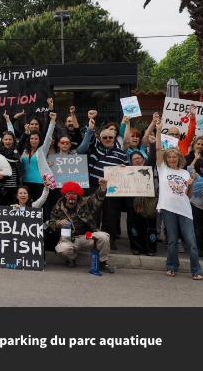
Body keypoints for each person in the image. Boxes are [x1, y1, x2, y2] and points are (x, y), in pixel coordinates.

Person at [154, 120, 203, 280]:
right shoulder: (162, 169)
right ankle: (171, 266)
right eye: (170, 157)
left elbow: (189, 196)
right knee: (173, 241)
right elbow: (158, 148)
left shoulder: (185, 173)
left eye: (175, 157)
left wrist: (190, 184)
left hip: (185, 210)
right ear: (166, 159)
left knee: (191, 243)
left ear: (179, 158)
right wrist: (159, 130)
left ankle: (196, 270)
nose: (172, 159)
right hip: (168, 209)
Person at [76, 112, 128, 250]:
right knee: (93, 214)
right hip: (95, 185)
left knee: (111, 215)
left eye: (110, 137)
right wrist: (90, 123)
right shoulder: (95, 148)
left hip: (113, 188)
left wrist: (124, 168)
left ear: (114, 138)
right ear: (100, 138)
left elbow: (129, 171)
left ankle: (109, 240)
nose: (107, 139)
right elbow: (88, 138)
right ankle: (92, 239)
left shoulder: (121, 154)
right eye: (104, 137)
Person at [48, 180, 114, 272]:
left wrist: (102, 188)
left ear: (78, 195)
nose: (72, 196)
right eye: (69, 193)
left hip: (86, 237)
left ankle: (102, 262)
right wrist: (59, 223)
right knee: (62, 249)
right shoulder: (57, 208)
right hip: (68, 239)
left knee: (104, 237)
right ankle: (71, 258)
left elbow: (97, 198)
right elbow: (51, 224)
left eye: (74, 194)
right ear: (65, 195)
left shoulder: (85, 203)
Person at [127, 150, 158, 256]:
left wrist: (153, 145)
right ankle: (136, 247)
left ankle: (150, 248)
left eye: (138, 158)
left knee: (150, 226)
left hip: (149, 202)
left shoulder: (148, 168)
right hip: (133, 202)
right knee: (134, 225)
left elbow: (153, 158)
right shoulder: (127, 171)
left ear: (143, 159)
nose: (136, 160)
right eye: (134, 159)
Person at [189, 157, 203, 257]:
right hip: (196, 205)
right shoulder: (196, 176)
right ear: (201, 168)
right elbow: (190, 168)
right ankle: (197, 248)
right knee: (196, 227)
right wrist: (196, 158)